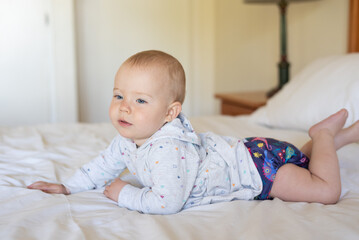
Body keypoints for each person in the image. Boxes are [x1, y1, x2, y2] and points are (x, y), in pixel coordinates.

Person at [28, 50, 359, 215]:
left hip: (260, 171)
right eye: (119, 96)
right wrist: (68, 187)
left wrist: (123, 194)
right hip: (252, 152)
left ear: (170, 112)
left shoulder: (169, 149)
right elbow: (101, 167)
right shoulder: (128, 139)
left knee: (325, 192)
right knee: (301, 160)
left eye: (140, 100)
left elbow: (167, 201)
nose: (125, 107)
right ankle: (333, 141)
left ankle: (326, 135)